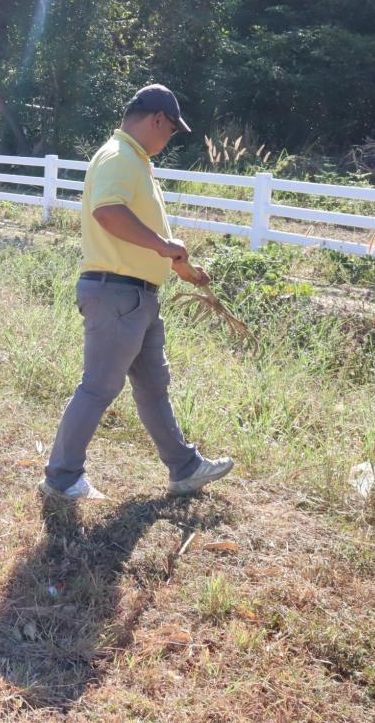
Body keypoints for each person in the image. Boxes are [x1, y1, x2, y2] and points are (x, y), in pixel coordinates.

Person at [40, 84, 233, 499]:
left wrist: (179, 265)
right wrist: (164, 246)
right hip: (118, 295)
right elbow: (108, 212)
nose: (168, 140)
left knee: (152, 386)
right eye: (170, 131)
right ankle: (61, 477)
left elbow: (140, 233)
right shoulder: (119, 157)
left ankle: (184, 467)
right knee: (98, 387)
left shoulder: (134, 161)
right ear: (157, 118)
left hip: (136, 297)